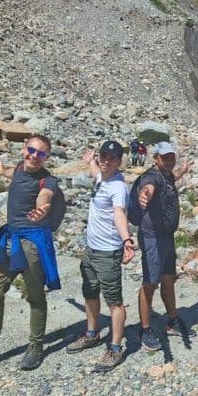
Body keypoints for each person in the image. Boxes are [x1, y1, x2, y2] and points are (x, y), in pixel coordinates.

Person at [0, 134, 60, 371]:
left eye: (40, 154)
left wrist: (42, 209)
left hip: (32, 244)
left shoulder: (48, 181)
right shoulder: (20, 169)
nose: (34, 156)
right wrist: (2, 170)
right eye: (31, 150)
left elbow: (46, 197)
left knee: (35, 296)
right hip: (10, 240)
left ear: (46, 158)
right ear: (24, 149)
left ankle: (35, 346)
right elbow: (13, 173)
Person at [67, 139, 133, 372]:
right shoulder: (100, 177)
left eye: (112, 158)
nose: (106, 161)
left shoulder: (118, 187)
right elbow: (96, 171)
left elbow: (119, 214)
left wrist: (126, 240)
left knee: (114, 300)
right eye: (103, 156)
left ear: (119, 162)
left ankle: (115, 348)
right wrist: (90, 162)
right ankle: (92, 333)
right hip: (91, 250)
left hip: (108, 252)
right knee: (90, 292)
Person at [136, 141, 191, 351]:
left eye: (171, 157)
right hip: (152, 238)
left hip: (167, 237)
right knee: (150, 283)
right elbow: (149, 186)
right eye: (165, 157)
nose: (169, 161)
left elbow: (171, 178)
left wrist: (182, 171)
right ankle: (145, 328)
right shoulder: (151, 176)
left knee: (169, 279)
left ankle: (172, 321)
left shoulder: (167, 175)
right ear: (155, 158)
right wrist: (145, 194)